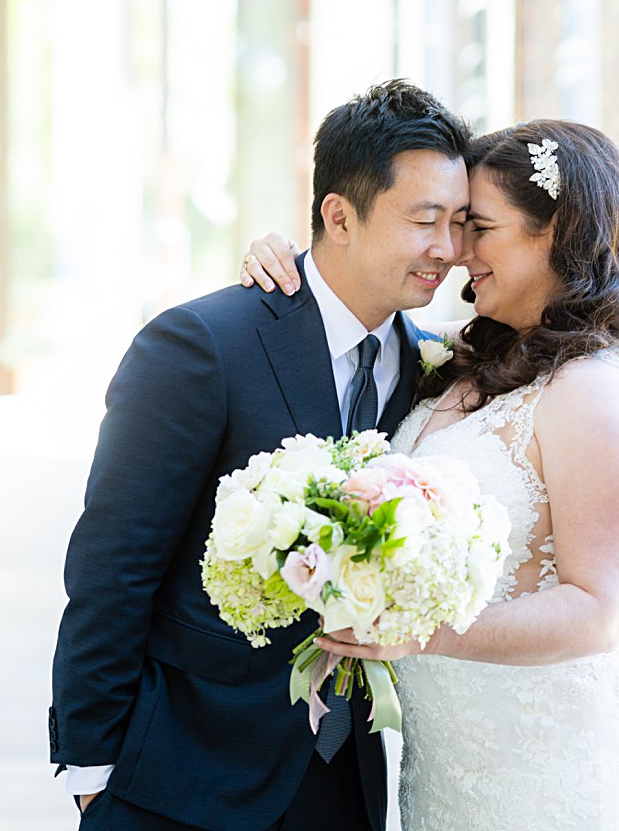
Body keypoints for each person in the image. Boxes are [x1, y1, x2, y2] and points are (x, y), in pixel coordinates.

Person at [243, 119, 619, 830]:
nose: (457, 252)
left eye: (478, 226)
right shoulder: (475, 357)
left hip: (557, 759)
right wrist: (292, 270)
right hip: (458, 762)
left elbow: (599, 609)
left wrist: (413, 632)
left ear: (557, 230)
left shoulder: (599, 384)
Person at [49, 80, 472, 831]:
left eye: (460, 223)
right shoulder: (202, 345)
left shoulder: (426, 368)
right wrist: (93, 771)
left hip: (343, 784)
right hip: (184, 770)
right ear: (338, 216)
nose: (448, 249)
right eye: (424, 220)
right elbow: (112, 567)